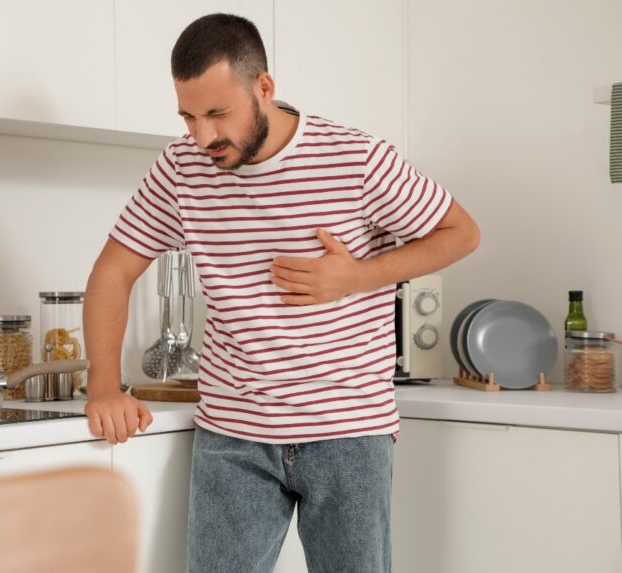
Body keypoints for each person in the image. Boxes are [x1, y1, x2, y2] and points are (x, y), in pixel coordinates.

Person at [83, 13, 479, 573]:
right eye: (188, 116)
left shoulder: (355, 158)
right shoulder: (181, 170)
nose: (203, 137)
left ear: (263, 87)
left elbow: (461, 233)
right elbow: (111, 273)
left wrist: (358, 277)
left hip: (348, 430)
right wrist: (103, 386)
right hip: (233, 435)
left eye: (218, 113)